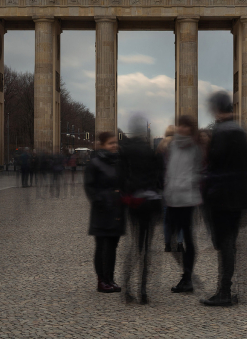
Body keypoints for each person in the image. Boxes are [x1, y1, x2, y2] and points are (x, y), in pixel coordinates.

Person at [201, 91, 247, 306]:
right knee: (230, 243)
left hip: (222, 196)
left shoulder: (221, 132)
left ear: (216, 109)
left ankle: (224, 291)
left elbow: (215, 164)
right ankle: (231, 289)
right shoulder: (240, 131)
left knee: (224, 244)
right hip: (239, 196)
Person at [118, 116, 164, 304]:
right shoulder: (150, 150)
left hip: (134, 203)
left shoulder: (125, 150)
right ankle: (143, 291)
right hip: (150, 202)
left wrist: (126, 194)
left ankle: (127, 288)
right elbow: (159, 177)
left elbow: (120, 178)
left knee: (134, 246)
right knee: (147, 247)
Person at [163, 114, 203, 294]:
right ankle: (186, 274)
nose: (182, 128)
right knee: (170, 239)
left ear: (191, 128)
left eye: (186, 126)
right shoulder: (172, 146)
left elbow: (198, 171)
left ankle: (187, 278)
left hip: (187, 198)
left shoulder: (195, 147)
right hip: (172, 197)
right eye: (180, 125)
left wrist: (187, 184)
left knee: (187, 238)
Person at [84, 131, 124, 293]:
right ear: (102, 145)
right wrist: (100, 201)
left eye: (115, 142)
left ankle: (110, 278)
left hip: (116, 209)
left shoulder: (119, 162)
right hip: (102, 210)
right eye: (110, 143)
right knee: (102, 246)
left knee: (113, 246)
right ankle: (102, 280)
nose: (114, 145)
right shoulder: (94, 163)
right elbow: (89, 187)